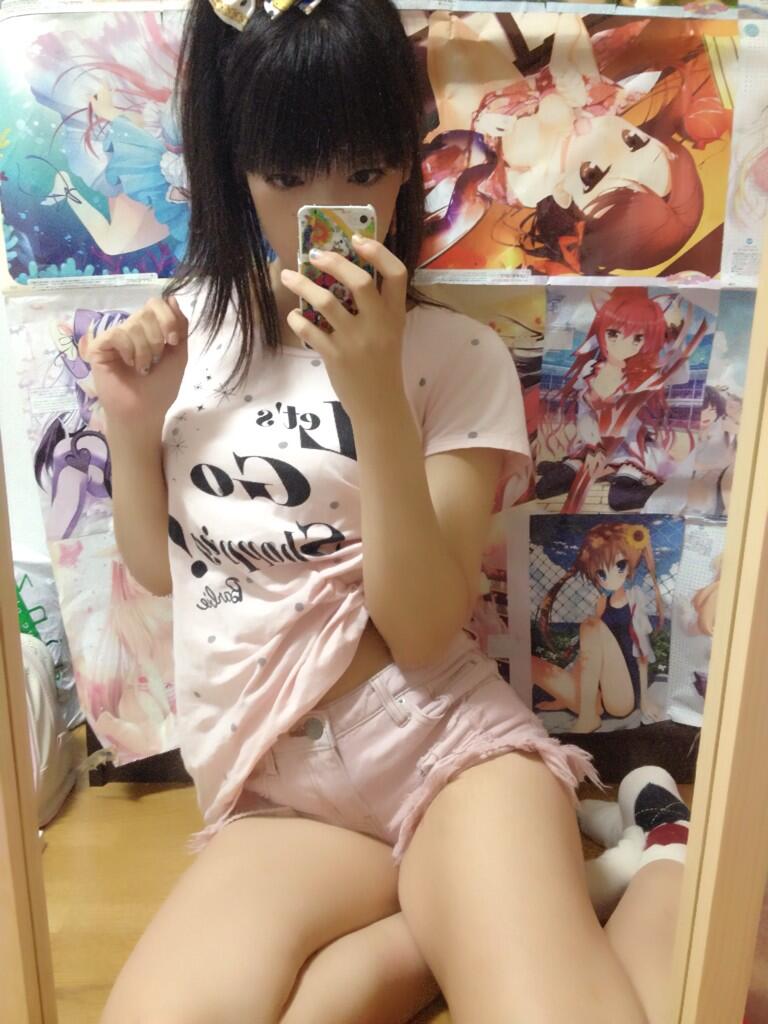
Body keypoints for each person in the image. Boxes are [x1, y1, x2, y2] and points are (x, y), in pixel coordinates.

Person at [83, 3, 691, 1022]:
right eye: (287, 175)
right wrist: (130, 426)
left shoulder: (457, 354)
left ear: (409, 166)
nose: (329, 211)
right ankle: (508, 905)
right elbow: (159, 570)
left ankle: (662, 861)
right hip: (277, 787)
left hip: (442, 750)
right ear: (237, 167)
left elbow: (419, 628)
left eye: (365, 170)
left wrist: (371, 393)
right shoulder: (187, 334)